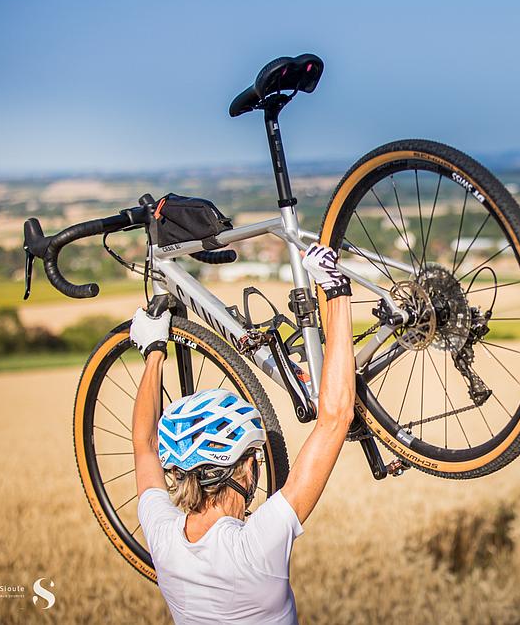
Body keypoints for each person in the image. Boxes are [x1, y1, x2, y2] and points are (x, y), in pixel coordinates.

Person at [129, 244, 355, 624]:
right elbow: (335, 416)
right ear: (245, 470)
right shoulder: (251, 548)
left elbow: (144, 447)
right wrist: (336, 293)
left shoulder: (165, 541)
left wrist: (153, 351)